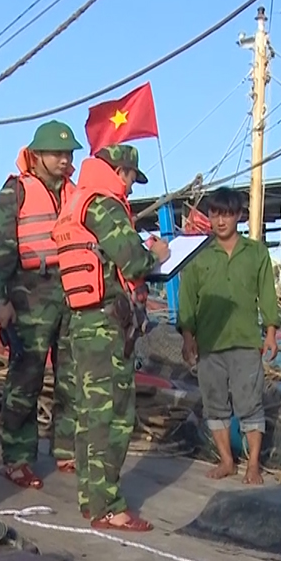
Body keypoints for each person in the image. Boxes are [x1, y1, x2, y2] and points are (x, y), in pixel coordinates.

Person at [52, 145, 168, 530]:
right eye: (133, 178)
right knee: (113, 416)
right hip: (105, 324)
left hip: (82, 321)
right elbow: (133, 261)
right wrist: (160, 254)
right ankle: (108, 507)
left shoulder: (75, 203)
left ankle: (92, 499)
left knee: (89, 414)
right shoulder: (105, 205)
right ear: (120, 171)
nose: (132, 189)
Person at [0, 120, 81, 488]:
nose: (63, 159)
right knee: (26, 376)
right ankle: (17, 456)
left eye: (68, 153)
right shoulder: (15, 193)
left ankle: (66, 448)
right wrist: (2, 298)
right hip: (29, 291)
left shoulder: (76, 192)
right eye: (57, 153)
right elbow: (1, 250)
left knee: (71, 376)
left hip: (71, 290)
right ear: (37, 155)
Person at [178, 187, 280, 484]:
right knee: (215, 405)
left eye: (226, 214)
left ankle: (253, 465)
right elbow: (188, 299)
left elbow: (267, 296)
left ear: (239, 216)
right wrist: (188, 336)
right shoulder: (198, 254)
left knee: (250, 404)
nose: (220, 221)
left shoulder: (256, 252)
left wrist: (270, 332)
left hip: (246, 341)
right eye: (214, 214)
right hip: (210, 344)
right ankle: (226, 460)